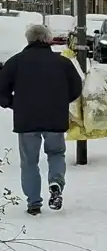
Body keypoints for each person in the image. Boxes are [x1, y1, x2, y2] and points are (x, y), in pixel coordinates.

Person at [0, 24, 83, 215]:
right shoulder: (62, 63)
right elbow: (76, 88)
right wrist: (61, 102)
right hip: (55, 118)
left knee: (29, 161)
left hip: (26, 120)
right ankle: (56, 183)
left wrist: (14, 104)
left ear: (28, 40)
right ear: (48, 40)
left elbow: (1, 89)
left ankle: (34, 203)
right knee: (56, 153)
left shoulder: (17, 62)